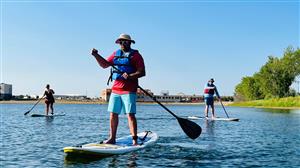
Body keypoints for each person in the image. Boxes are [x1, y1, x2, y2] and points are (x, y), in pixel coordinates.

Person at [91, 33, 145, 145]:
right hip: (115, 89)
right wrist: (96, 55)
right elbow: (104, 65)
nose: (122, 43)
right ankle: (112, 138)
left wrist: (130, 76)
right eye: (121, 42)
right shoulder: (116, 54)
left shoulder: (136, 56)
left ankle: (134, 141)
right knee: (113, 114)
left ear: (130, 42)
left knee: (130, 115)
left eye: (125, 41)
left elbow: (142, 72)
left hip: (129, 90)